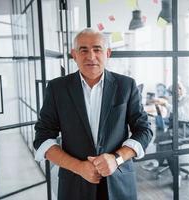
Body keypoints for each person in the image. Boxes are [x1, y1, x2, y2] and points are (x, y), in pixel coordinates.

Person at [33, 28, 153, 200]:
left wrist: (116, 159)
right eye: (83, 50)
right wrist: (79, 167)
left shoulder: (126, 85)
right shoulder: (56, 88)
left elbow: (144, 130)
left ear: (108, 53)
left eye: (97, 49)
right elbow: (42, 138)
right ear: (74, 55)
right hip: (74, 185)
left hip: (119, 182)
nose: (91, 56)